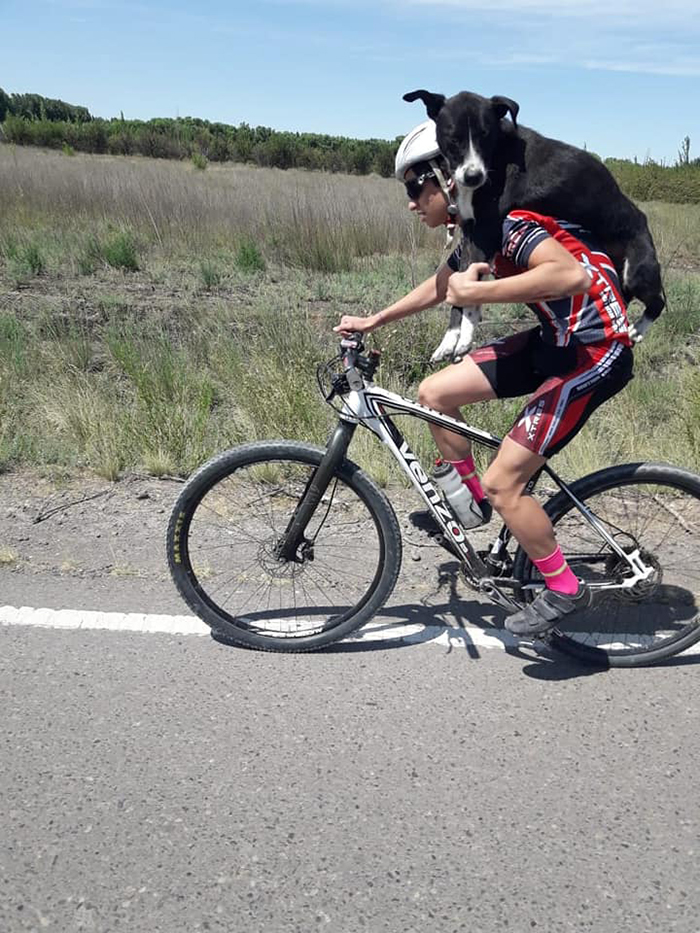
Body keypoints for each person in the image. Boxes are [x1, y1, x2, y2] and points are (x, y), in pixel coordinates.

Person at [333, 120, 634, 637]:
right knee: (434, 393)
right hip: (556, 341)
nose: (410, 202)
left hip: (597, 350)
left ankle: (564, 588)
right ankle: (471, 507)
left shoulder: (513, 222)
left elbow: (571, 275)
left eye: (414, 187)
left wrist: (478, 296)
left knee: (505, 482)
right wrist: (374, 320)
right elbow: (442, 284)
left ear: (447, 179)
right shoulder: (478, 228)